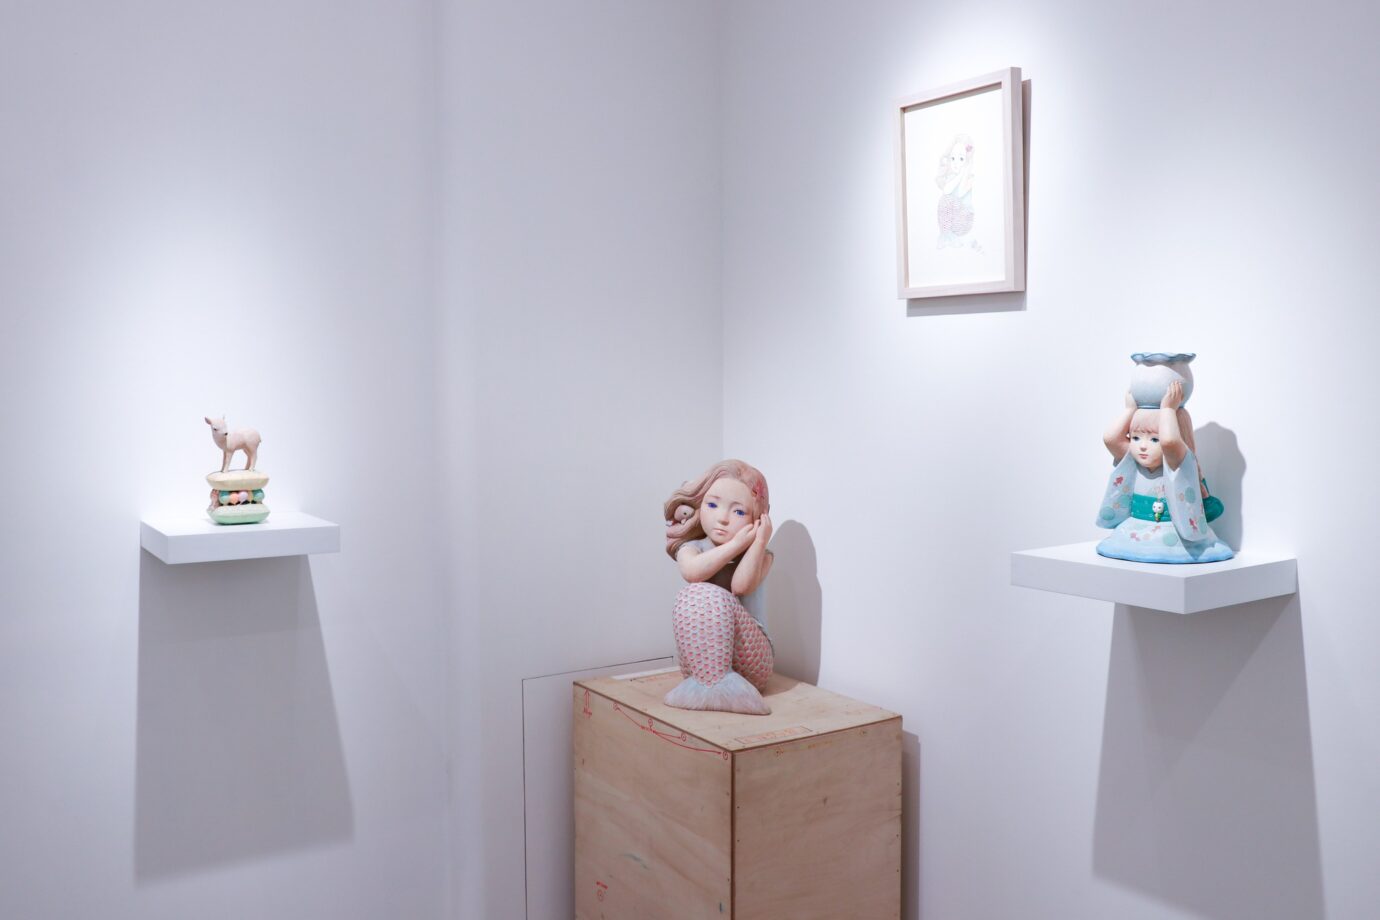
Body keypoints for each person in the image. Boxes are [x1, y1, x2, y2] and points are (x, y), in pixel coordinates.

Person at [662, 459, 775, 714]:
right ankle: (710, 685)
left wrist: (756, 542)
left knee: (705, 593)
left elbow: (741, 587)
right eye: (712, 505)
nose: (722, 519)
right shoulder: (691, 548)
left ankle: (721, 686)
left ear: (759, 517)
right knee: (692, 593)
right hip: (700, 661)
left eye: (738, 512)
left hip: (751, 659)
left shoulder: (761, 555)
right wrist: (734, 545)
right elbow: (692, 572)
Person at [1095, 381, 1233, 563]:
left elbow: (1169, 442)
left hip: (1172, 531)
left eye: (1154, 439)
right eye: (1135, 437)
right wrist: (1130, 410)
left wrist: (1168, 410)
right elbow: (1110, 439)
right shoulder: (1134, 460)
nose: (1142, 446)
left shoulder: (1179, 463)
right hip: (1135, 528)